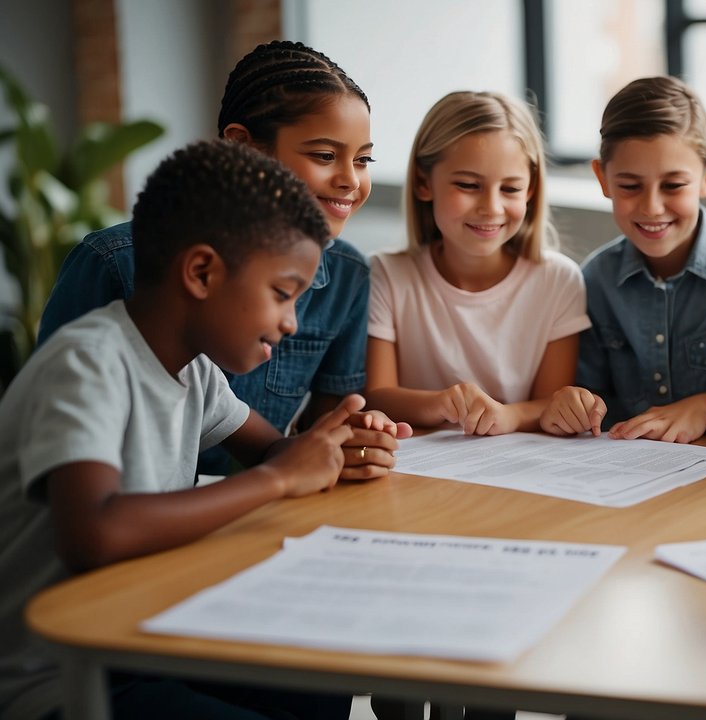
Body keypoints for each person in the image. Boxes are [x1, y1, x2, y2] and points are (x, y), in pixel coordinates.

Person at [0, 140, 408, 720]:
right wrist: (279, 480)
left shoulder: (193, 372)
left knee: (319, 675)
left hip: (144, 641)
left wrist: (335, 444)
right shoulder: (87, 364)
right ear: (201, 272)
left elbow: (273, 450)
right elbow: (92, 533)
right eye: (282, 293)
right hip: (61, 679)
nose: (291, 322)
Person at [38, 40, 376, 474]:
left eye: (365, 160)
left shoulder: (346, 274)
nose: (350, 179)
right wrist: (277, 478)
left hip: (233, 519)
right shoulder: (114, 266)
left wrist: (352, 444)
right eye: (325, 156)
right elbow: (61, 455)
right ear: (244, 147)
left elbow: (314, 441)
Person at [542, 76, 706, 442]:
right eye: (630, 186)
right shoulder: (593, 281)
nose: (652, 207)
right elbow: (586, 394)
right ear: (602, 179)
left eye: (673, 185)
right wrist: (573, 403)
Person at [364, 90, 590, 435]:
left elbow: (550, 401)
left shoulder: (559, 280)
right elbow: (377, 396)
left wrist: (508, 416)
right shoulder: (387, 275)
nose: (491, 207)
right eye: (469, 185)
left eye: (511, 189)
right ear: (424, 182)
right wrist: (442, 403)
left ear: (531, 189)